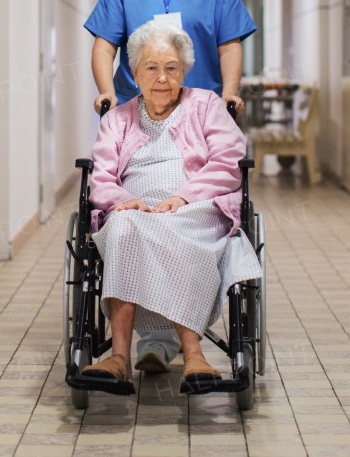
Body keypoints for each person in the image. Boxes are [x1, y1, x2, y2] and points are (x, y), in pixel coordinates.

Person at [84, 0, 258, 372]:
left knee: (184, 219)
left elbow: (228, 43)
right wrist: (107, 94)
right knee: (130, 221)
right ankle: (142, 345)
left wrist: (229, 91)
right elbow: (104, 47)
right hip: (141, 114)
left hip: (198, 117)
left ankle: (177, 344)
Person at [80, 20, 262, 389]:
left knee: (174, 226)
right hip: (134, 211)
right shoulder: (116, 120)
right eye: (151, 68)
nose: (161, 78)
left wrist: (181, 198)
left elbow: (229, 161)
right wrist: (126, 202)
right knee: (123, 227)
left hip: (193, 208)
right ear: (134, 74)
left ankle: (193, 354)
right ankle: (118, 358)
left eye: (171, 68)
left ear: (184, 71)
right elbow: (100, 178)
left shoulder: (206, 105)